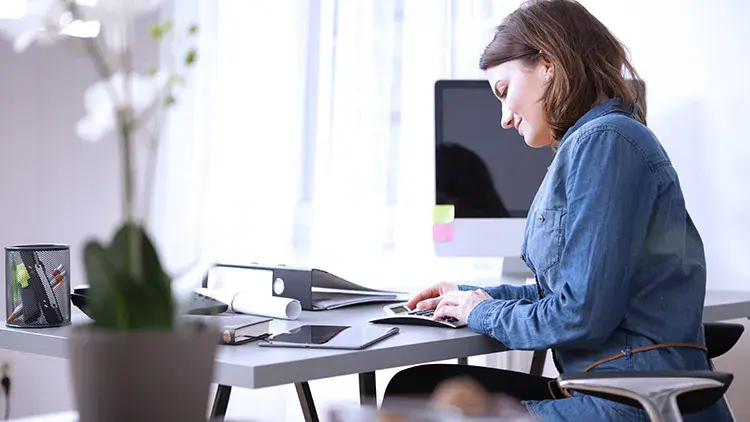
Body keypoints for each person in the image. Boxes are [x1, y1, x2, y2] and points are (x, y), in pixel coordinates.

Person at [382, 0, 733, 421]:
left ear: (548, 63)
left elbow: (581, 314)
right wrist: (470, 298)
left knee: (421, 403)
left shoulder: (605, 143)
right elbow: (568, 294)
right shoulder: (597, 141)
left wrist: (484, 312)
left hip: (624, 400)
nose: (504, 119)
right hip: (606, 383)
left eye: (504, 90)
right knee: (417, 387)